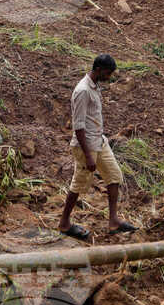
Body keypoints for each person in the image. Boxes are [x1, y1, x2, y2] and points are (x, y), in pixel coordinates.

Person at [58, 54, 137, 240]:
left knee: (114, 175)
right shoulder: (83, 91)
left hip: (99, 142)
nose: (110, 77)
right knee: (78, 183)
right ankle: (64, 223)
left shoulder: (94, 86)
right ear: (99, 70)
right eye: (108, 73)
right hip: (86, 146)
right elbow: (78, 126)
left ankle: (113, 221)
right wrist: (88, 155)